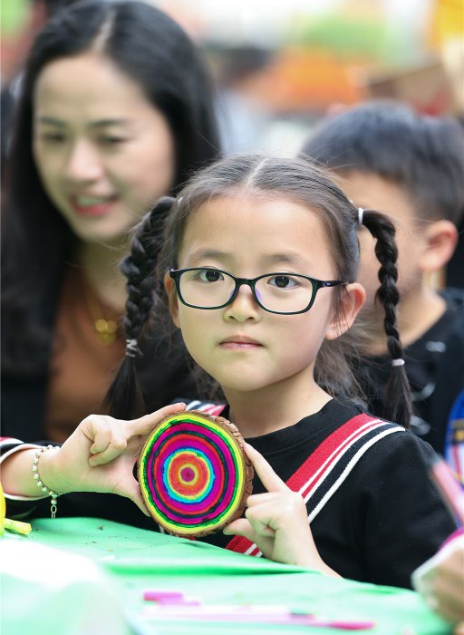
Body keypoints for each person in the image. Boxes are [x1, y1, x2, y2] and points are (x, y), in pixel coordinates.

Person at [1, 154, 457, 590]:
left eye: (282, 281)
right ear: (174, 300)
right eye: (210, 276)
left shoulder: (388, 466)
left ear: (341, 309)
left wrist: (313, 574)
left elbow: (440, 618)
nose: (241, 307)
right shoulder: (170, 446)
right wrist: (56, 470)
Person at [1, 0, 221, 443]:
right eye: (54, 136)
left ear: (179, 129)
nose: (77, 169)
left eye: (111, 138)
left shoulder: (242, 282)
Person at [300, 101, 464, 458]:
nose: (324, 242)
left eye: (354, 224)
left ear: (433, 245)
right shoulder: (291, 341)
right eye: (314, 218)